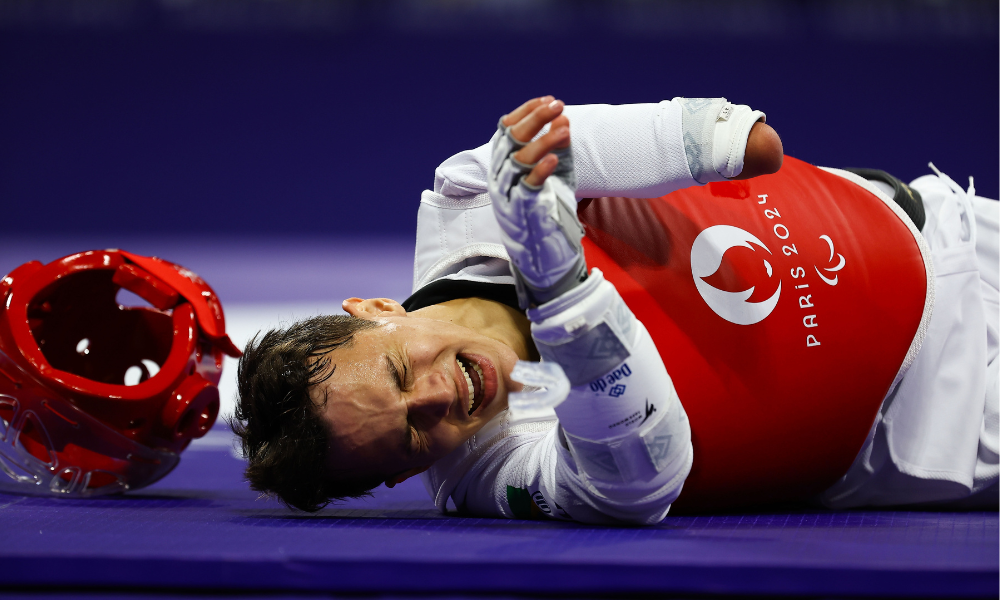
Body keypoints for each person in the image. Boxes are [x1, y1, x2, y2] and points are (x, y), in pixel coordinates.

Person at [231, 96, 998, 524]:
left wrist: (598, 145)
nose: (439, 400)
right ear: (400, 479)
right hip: (946, 416)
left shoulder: (470, 195)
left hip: (947, 228)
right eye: (406, 438)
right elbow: (637, 483)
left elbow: (746, 143)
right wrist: (561, 287)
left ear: (375, 307)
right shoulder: (488, 475)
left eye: (399, 373)